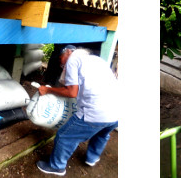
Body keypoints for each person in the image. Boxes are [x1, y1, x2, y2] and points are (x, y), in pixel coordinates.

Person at [35, 45, 119, 176]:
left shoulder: (73, 59)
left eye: (60, 58)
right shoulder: (96, 60)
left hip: (96, 113)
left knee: (64, 136)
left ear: (68, 52)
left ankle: (57, 167)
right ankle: (92, 158)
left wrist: (47, 90)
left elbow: (71, 92)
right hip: (117, 111)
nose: (60, 62)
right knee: (102, 133)